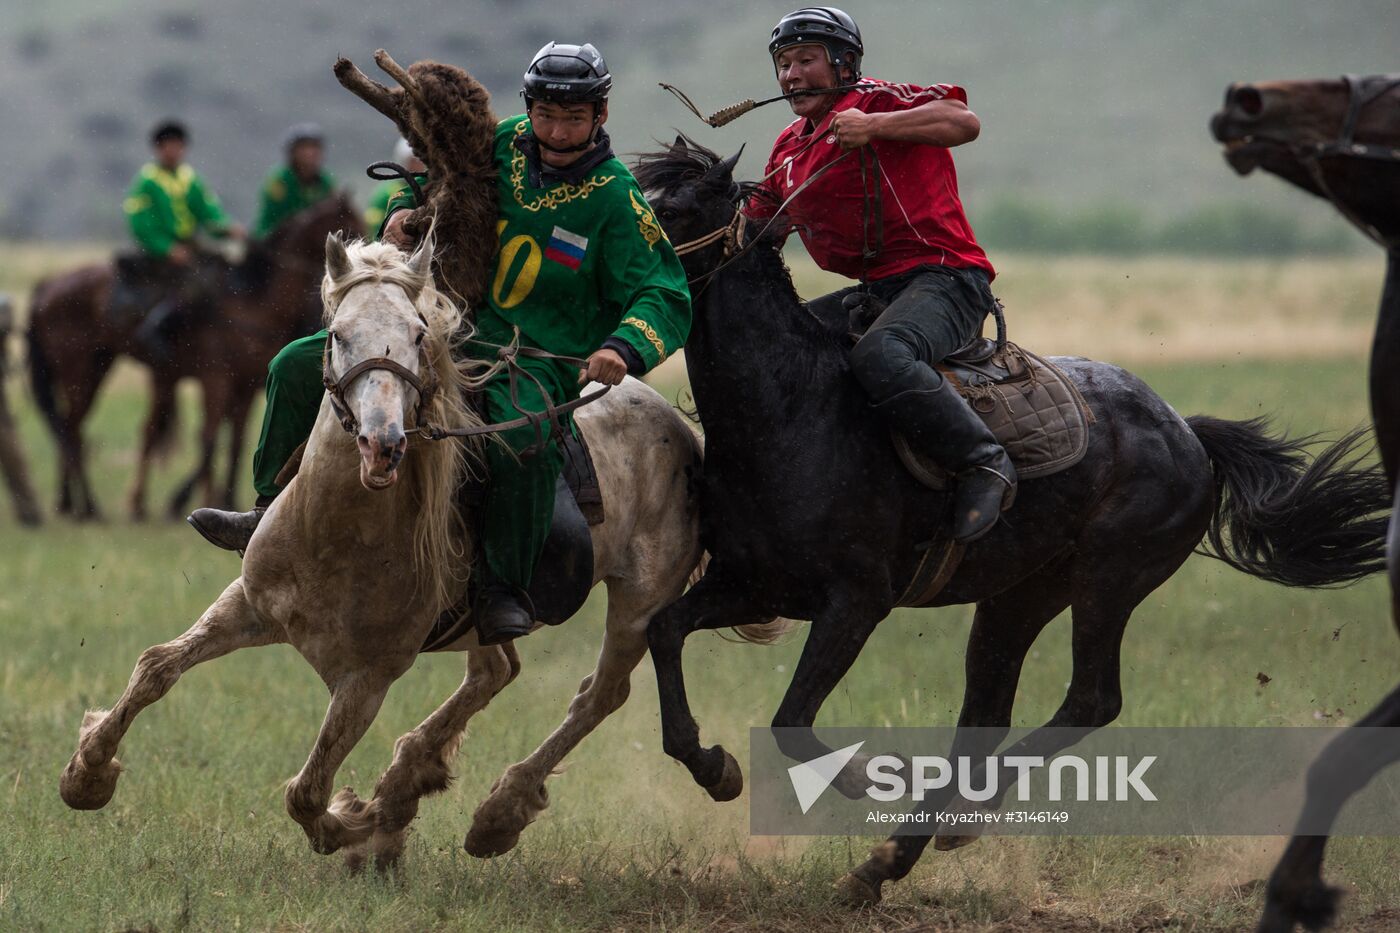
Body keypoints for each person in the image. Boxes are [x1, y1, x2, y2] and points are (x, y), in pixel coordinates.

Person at [188, 42, 691, 644]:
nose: (557, 130)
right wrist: (401, 214)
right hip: (446, 326)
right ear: (528, 107)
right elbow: (425, 181)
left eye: (574, 117)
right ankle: (268, 512)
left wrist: (623, 349)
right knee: (296, 363)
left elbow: (665, 289)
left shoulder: (615, 197)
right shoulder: (497, 142)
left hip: (532, 359)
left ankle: (503, 586)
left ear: (600, 115)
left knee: (522, 434)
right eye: (546, 114)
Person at [748, 7, 1013, 543]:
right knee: (780, 349)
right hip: (875, 292)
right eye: (783, 63)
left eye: (806, 59)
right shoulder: (787, 147)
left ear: (844, 64)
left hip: (947, 279)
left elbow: (964, 122)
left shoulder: (877, 101)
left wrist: (875, 127)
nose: (791, 75)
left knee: (881, 355)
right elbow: (757, 226)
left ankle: (985, 462)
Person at [119, 120, 245, 359]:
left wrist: (227, 228)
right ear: (158, 149)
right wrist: (167, 248)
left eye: (178, 145)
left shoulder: (190, 179)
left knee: (225, 268)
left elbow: (209, 213)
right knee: (194, 283)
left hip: (190, 245)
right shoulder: (147, 181)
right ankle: (155, 328)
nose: (174, 150)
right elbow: (139, 224)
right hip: (160, 252)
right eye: (169, 145)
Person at [253, 123, 336, 239]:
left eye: (314, 148)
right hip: (272, 238)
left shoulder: (325, 181)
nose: (310, 153)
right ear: (292, 152)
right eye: (304, 148)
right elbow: (275, 218)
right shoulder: (280, 180)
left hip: (309, 241)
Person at [364, 138, 427, 239]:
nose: (418, 164)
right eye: (413, 161)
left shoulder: (429, 186)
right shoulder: (383, 194)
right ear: (403, 161)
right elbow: (374, 226)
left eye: (419, 160)